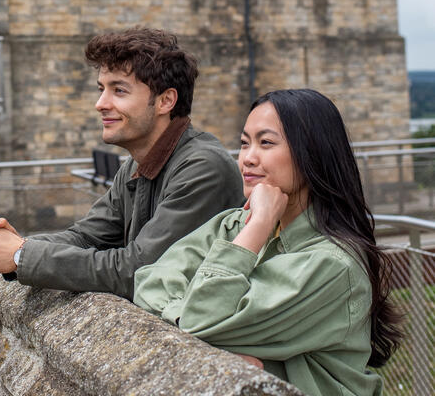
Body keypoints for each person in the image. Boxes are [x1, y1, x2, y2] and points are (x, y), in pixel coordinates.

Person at [133, 89, 402, 396]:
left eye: (266, 143)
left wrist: (259, 224)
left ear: (311, 153)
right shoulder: (234, 224)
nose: (247, 158)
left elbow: (198, 320)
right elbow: (150, 281)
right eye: (244, 143)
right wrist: (212, 338)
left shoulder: (333, 265)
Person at [0, 27, 243, 299]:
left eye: (118, 91)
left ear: (165, 101)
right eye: (101, 89)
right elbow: (85, 237)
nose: (100, 103)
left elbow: (141, 270)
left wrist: (19, 255)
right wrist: (13, 244)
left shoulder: (203, 168)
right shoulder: (136, 164)